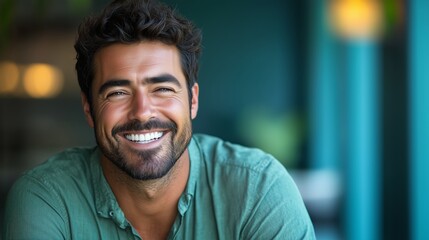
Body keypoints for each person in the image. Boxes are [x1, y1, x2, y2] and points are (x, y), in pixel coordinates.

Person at [3, 0, 315, 239]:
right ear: (89, 108)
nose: (142, 112)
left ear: (192, 100)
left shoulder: (258, 189)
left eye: (162, 89)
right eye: (118, 93)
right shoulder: (47, 199)